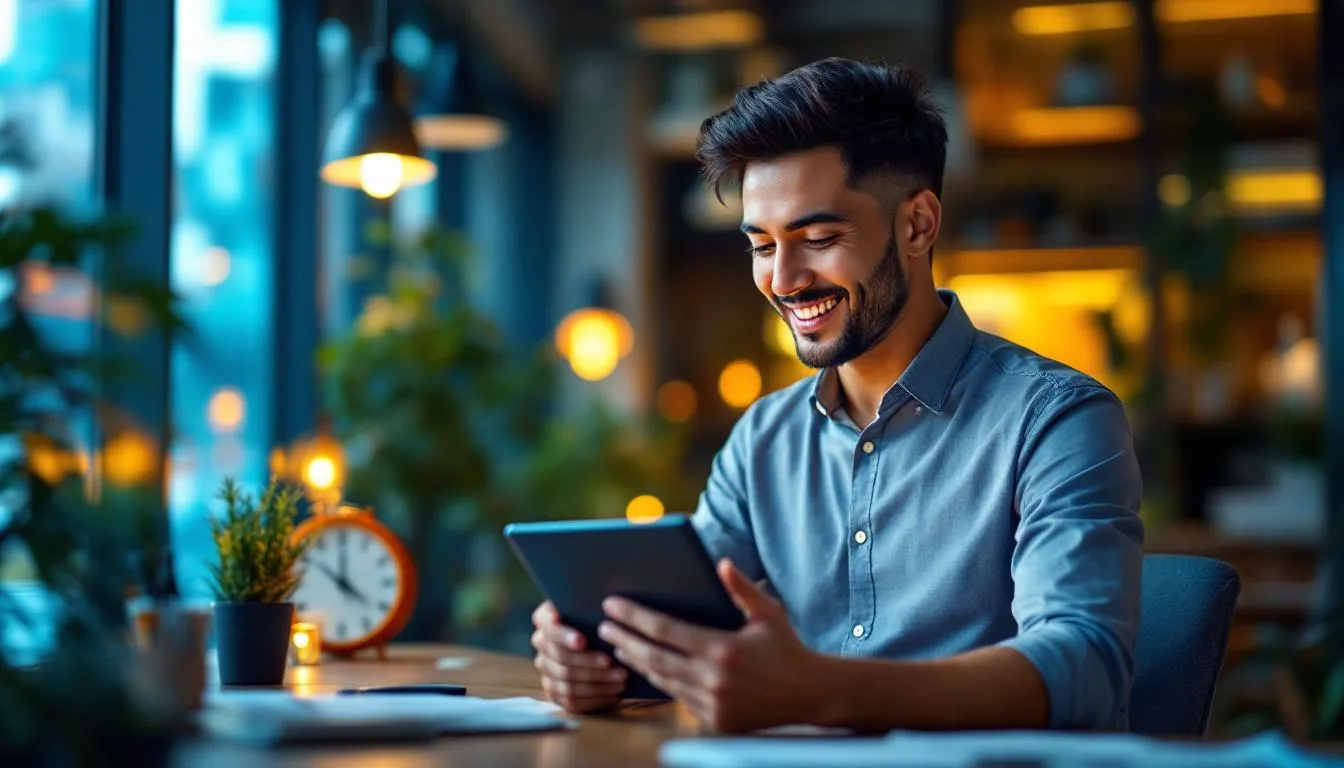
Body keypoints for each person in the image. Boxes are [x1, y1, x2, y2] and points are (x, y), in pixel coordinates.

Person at [531, 57, 1144, 734]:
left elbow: (1085, 669)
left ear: (917, 225)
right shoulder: (763, 439)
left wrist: (820, 691)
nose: (784, 279)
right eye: (762, 245)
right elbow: (677, 625)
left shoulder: (1057, 419)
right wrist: (598, 654)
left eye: (818, 239)